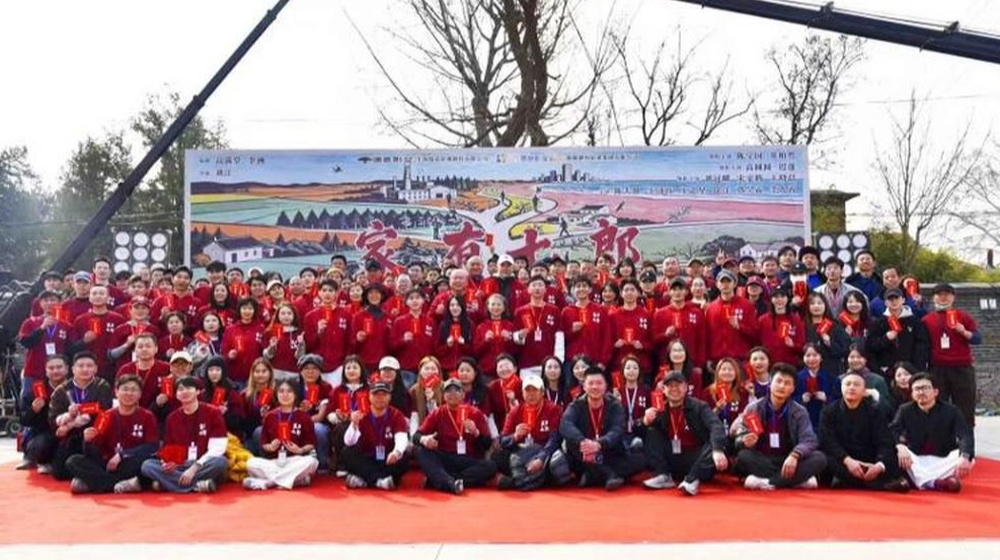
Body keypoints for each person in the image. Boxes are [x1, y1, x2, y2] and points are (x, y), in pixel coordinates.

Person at [732, 364, 828, 490]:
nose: (782, 386)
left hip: (788, 458)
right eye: (778, 381)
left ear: (792, 389)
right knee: (743, 457)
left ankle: (768, 482)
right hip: (762, 458)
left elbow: (809, 439)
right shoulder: (754, 408)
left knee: (820, 458)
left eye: (787, 383)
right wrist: (745, 441)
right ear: (770, 384)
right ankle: (794, 481)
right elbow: (740, 436)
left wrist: (795, 455)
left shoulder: (799, 411)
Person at [65, 374, 160, 494]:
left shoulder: (147, 416)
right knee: (73, 461)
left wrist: (122, 455)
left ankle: (94, 483)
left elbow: (152, 446)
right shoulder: (105, 416)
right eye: (125, 389)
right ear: (116, 392)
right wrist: (87, 441)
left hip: (130, 461)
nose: (129, 393)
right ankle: (121, 484)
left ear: (140, 394)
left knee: (146, 464)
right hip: (108, 463)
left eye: (133, 390)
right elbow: (94, 451)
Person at [641, 371, 729, 495]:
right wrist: (645, 421)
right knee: (652, 432)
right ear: (664, 390)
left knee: (713, 443)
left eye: (678, 385)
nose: (674, 389)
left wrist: (717, 450)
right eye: (670, 386)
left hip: (696, 459)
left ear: (686, 387)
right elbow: (638, 431)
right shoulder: (659, 409)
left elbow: (716, 426)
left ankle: (692, 480)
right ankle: (663, 475)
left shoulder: (699, 406)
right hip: (673, 459)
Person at [818, 371, 909, 491]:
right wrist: (848, 460)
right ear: (841, 388)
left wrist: (879, 465)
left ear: (864, 391)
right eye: (847, 384)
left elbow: (884, 441)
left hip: (868, 460)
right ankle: (879, 485)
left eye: (856, 384)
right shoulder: (828, 411)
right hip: (842, 460)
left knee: (894, 457)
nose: (851, 387)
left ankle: (850, 482)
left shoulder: (875, 412)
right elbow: (828, 440)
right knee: (823, 458)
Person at [559, 366, 643, 491]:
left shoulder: (615, 405)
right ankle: (608, 474)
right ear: (584, 387)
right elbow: (565, 424)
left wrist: (599, 444)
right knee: (572, 443)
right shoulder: (576, 405)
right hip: (584, 455)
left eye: (599, 383)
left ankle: (592, 476)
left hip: (608, 452)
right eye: (591, 383)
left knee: (641, 460)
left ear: (605, 386)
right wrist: (582, 441)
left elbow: (618, 429)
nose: (595, 387)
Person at [140, 376, 229, 493]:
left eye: (189, 388)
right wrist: (169, 461)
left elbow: (218, 448)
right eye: (181, 389)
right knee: (147, 466)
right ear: (176, 395)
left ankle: (169, 484)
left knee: (220, 462)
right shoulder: (172, 418)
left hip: (203, 463)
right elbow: (169, 447)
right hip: (181, 465)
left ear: (198, 391)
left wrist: (195, 467)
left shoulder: (213, 412)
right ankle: (197, 485)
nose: (185, 392)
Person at [891, 373, 975, 492]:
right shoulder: (905, 410)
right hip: (916, 459)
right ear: (912, 394)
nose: (921, 392)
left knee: (968, 458)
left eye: (925, 388)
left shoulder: (951, 411)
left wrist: (964, 457)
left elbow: (965, 434)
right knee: (897, 453)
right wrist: (900, 446)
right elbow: (893, 430)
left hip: (942, 459)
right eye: (917, 389)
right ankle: (935, 483)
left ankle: (922, 481)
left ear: (935, 392)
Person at [414, 378, 497, 494]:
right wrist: (425, 439)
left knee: (490, 467)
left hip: (468, 459)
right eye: (448, 391)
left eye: (456, 390)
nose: (452, 393)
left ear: (463, 394)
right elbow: (416, 436)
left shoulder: (475, 413)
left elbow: (487, 444)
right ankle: (451, 482)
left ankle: (442, 480)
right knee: (420, 450)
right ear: (443, 396)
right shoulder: (438, 412)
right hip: (445, 457)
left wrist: (476, 432)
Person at [921, 283, 981, 427]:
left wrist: (964, 332)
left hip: (962, 367)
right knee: (937, 406)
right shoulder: (926, 320)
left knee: (965, 406)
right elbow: (923, 346)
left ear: (953, 297)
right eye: (939, 294)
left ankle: (966, 438)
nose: (943, 298)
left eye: (947, 294)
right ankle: (940, 438)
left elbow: (977, 339)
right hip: (937, 368)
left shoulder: (963, 317)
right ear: (934, 298)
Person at [48, 352, 114, 480]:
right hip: (71, 436)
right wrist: (68, 416)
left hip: (94, 434)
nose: (85, 369)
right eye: (81, 366)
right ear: (73, 369)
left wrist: (70, 425)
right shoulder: (62, 390)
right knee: (59, 473)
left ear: (95, 368)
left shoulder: (102, 386)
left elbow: (103, 412)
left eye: (89, 366)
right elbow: (53, 417)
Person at [243, 379, 319, 490]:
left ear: (295, 395)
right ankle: (294, 480)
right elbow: (264, 444)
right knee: (251, 463)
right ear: (276, 394)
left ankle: (269, 482)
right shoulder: (270, 416)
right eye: (281, 391)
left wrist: (300, 450)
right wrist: (270, 447)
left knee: (311, 462)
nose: (285, 395)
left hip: (295, 461)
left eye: (289, 391)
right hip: (274, 462)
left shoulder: (304, 417)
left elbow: (311, 444)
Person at [495, 376, 568, 491]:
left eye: (535, 390)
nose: (531, 394)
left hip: (545, 450)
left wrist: (540, 458)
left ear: (542, 392)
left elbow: (555, 439)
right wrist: (515, 436)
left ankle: (517, 482)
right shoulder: (515, 411)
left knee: (558, 464)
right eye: (527, 391)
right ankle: (533, 480)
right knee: (498, 456)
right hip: (521, 452)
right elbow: (503, 440)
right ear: (522, 393)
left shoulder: (553, 409)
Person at [342, 382, 410, 490]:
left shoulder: (396, 415)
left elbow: (401, 437)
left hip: (388, 458)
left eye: (384, 394)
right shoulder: (361, 413)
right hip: (367, 458)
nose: (380, 398)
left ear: (390, 397)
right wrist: (354, 424)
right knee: (347, 452)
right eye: (376, 394)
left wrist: (396, 452)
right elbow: (349, 442)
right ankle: (379, 482)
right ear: (369, 396)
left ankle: (365, 481)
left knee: (404, 457)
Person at [17, 355, 69, 472]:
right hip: (45, 433)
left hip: (70, 430)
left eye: (59, 367)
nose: (55, 371)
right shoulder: (36, 389)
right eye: (51, 368)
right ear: (45, 371)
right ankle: (42, 460)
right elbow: (24, 420)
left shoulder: (74, 387)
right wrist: (33, 410)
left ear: (67, 369)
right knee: (40, 445)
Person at [866, 288, 930, 374]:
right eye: (890, 299)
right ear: (885, 302)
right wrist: (885, 339)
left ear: (903, 300)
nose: (894, 301)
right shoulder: (878, 323)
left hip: (910, 370)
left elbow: (922, 347)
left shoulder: (915, 322)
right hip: (886, 370)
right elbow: (870, 346)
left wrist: (917, 368)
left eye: (897, 298)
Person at [704, 270, 758, 367]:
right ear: (717, 284)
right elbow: (707, 336)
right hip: (717, 360)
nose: (725, 285)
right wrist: (708, 358)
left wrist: (740, 327)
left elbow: (755, 333)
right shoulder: (711, 308)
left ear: (734, 283)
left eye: (728, 281)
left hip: (740, 359)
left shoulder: (746, 305)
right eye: (722, 282)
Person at [512, 276, 561, 372]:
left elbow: (559, 336)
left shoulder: (554, 310)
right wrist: (520, 336)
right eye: (534, 285)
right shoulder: (520, 312)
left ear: (545, 289)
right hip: (526, 361)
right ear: (528, 290)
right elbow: (514, 336)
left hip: (549, 362)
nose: (537, 288)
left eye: (540, 285)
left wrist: (558, 358)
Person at [794, 343, 836, 428]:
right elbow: (790, 399)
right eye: (808, 355)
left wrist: (827, 398)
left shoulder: (831, 378)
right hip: (802, 422)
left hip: (825, 421)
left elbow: (838, 399)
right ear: (803, 358)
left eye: (815, 355)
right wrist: (801, 399)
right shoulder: (797, 378)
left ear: (821, 357)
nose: (811, 359)